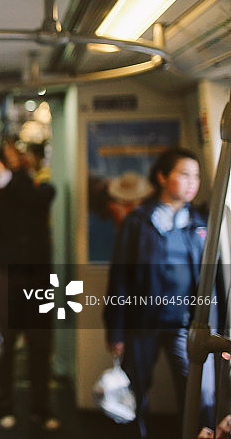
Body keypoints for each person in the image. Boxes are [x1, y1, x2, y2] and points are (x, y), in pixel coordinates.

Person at [104, 147, 217, 439]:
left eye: (196, 176)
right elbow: (120, 278)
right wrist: (116, 331)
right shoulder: (138, 221)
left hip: (186, 325)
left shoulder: (202, 224)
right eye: (184, 174)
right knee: (134, 393)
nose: (192, 182)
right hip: (143, 322)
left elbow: (213, 281)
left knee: (198, 394)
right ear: (163, 177)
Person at [0, 136, 59, 432]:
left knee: (39, 345)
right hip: (7, 277)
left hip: (35, 277)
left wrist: (20, 170)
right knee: (7, 346)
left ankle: (39, 407)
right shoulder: (0, 196)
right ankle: (7, 405)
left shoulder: (42, 191)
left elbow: (34, 194)